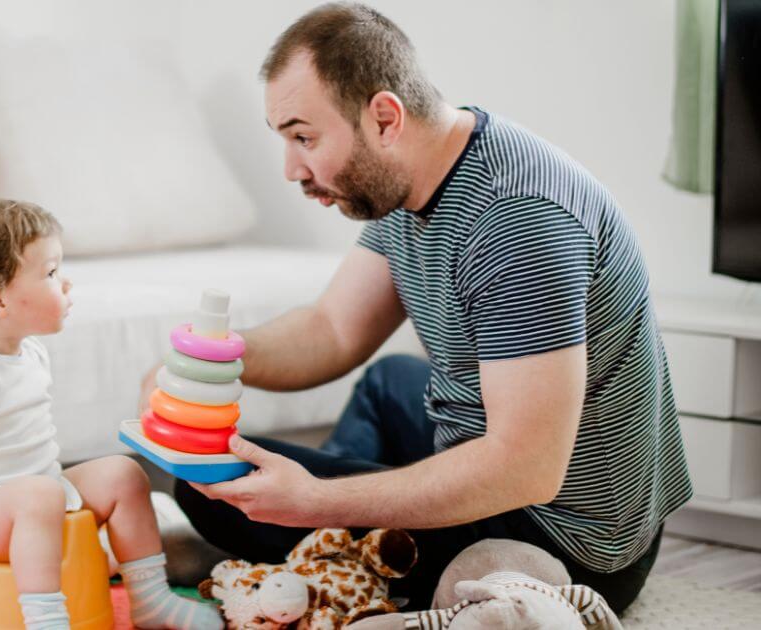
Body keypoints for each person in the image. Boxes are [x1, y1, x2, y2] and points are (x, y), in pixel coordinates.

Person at [140, 2, 691, 614]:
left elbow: (527, 467)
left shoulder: (519, 220)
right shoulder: (416, 175)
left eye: (304, 136)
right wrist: (203, 362)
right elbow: (331, 330)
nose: (293, 168)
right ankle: (340, 549)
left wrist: (317, 499)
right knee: (384, 383)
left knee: (210, 486)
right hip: (498, 460)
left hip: (568, 539)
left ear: (384, 117)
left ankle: (327, 549)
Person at [0, 198, 222, 630]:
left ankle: (151, 600)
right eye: (50, 274)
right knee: (40, 495)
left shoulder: (29, 351)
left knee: (124, 474)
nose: (65, 285)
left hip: (41, 492)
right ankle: (46, 620)